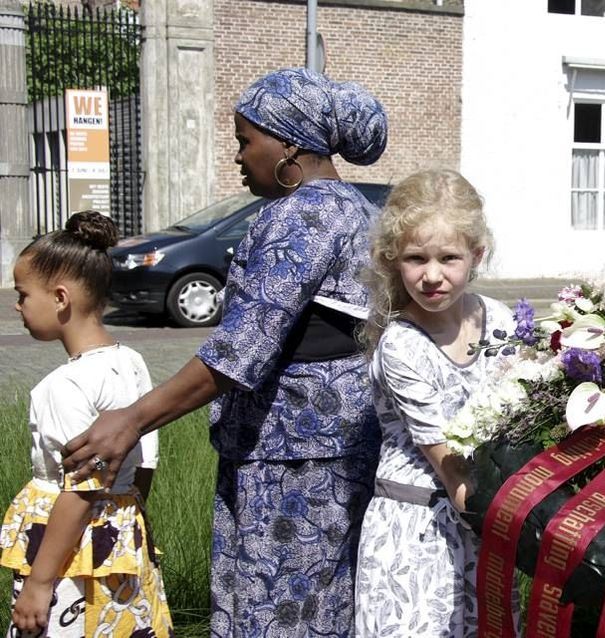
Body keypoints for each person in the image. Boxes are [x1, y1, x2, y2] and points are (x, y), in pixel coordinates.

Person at [60, 68, 388, 637]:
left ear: (289, 142)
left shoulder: (303, 214)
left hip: (290, 463)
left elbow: (241, 350)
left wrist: (131, 420)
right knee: (324, 609)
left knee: (274, 615)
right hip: (331, 451)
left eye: (245, 141)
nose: (239, 157)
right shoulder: (353, 208)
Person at [354, 169, 516, 636]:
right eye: (414, 259)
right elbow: (449, 465)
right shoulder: (402, 345)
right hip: (417, 531)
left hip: (483, 518)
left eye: (449, 258)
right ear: (393, 260)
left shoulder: (501, 320)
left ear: (476, 255)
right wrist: (529, 535)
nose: (431, 276)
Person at [1, 211, 171, 637]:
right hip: (120, 546)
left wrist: (40, 583)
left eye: (22, 294)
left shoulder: (63, 385)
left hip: (66, 558)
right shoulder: (130, 363)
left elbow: (79, 490)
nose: (16, 305)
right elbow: (143, 465)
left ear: (60, 298)